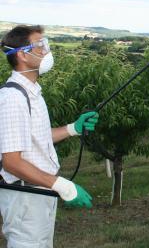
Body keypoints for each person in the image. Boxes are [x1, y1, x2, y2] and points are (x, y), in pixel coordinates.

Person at [0, 25, 99, 247]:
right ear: (22, 55)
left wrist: (73, 128)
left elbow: (38, 139)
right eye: (40, 46)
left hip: (38, 192)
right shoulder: (13, 99)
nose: (46, 51)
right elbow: (12, 162)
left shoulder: (32, 92)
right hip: (26, 196)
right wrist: (62, 186)